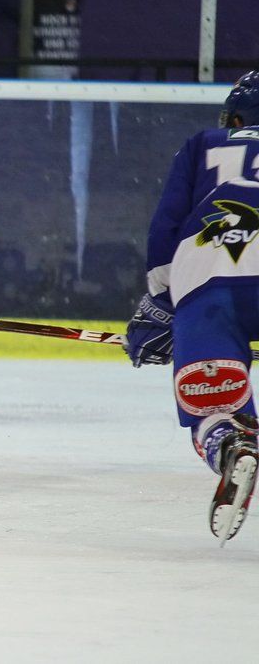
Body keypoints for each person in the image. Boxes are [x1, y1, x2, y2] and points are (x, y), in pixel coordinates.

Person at [123, 70, 259, 542]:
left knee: (214, 395)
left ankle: (232, 439)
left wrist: (161, 308)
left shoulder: (204, 143)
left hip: (210, 270)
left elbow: (166, 227)